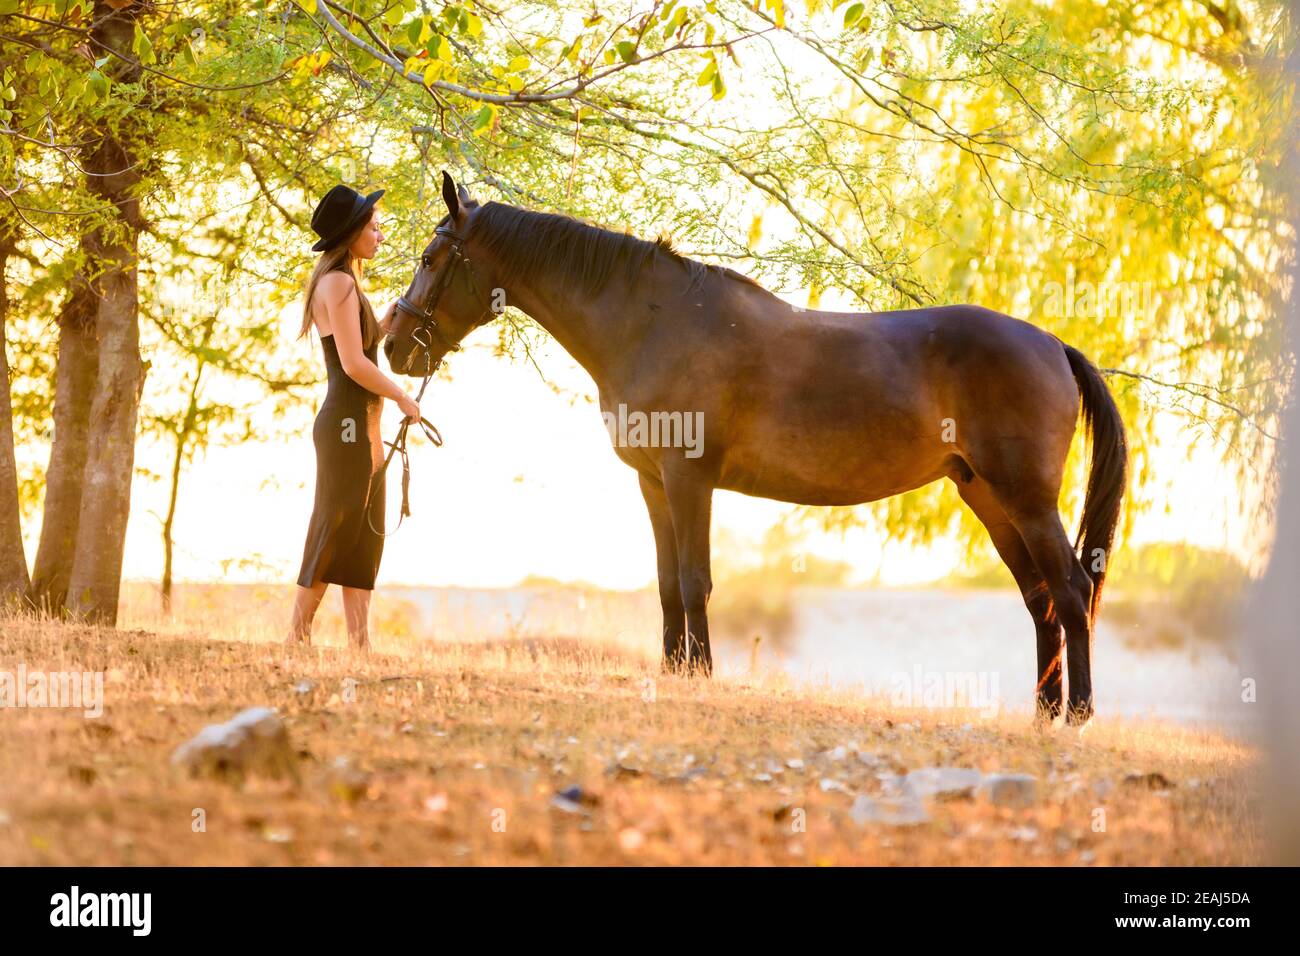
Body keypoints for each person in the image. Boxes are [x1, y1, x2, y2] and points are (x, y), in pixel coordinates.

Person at [287, 184, 422, 650]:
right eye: (373, 227)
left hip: (363, 427)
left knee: (364, 535)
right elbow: (353, 364)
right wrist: (403, 395)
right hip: (346, 424)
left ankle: (359, 645)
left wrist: (383, 324)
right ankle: (296, 634)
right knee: (335, 523)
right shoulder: (340, 283)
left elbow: (359, 346)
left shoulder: (345, 283)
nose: (380, 235)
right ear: (351, 233)